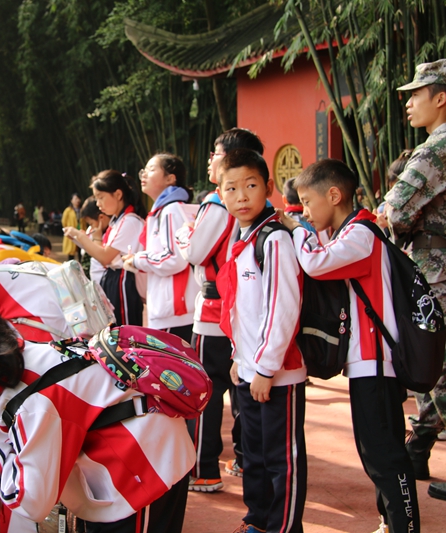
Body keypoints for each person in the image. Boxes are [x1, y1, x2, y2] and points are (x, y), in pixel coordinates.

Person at [0, 303, 194, 533]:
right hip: (125, 454)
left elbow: (31, 500)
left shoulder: (34, 403)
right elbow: (2, 405)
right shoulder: (7, 360)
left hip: (143, 465)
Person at [279, 159, 419, 533]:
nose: (305, 211)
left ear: (334, 195)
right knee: (377, 452)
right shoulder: (354, 231)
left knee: (385, 455)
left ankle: (403, 526)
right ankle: (389, 522)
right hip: (368, 362)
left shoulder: (361, 234)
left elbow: (315, 263)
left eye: (307, 202)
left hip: (376, 361)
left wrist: (297, 228)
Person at [385, 58, 446, 504]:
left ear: (441, 98)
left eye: (416, 94)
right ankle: (418, 448)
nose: (409, 103)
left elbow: (395, 210)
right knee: (444, 363)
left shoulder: (438, 149)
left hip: (440, 273)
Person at [214, 149, 307, 533]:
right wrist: (240, 358)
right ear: (220, 194)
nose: (241, 196)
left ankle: (282, 527)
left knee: (280, 458)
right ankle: (258, 520)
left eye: (250, 186)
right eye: (231, 188)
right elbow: (242, 309)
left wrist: (267, 368)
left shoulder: (274, 238)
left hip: (277, 373)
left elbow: (283, 307)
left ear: (268, 187)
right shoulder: (243, 237)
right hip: (250, 369)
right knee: (252, 454)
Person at [175, 128, 263, 492]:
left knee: (205, 392)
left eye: (215, 152)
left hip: (214, 312)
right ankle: (245, 459)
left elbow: (195, 252)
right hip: (244, 311)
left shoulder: (217, 202)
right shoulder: (259, 203)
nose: (210, 159)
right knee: (241, 390)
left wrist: (184, 233)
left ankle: (204, 468)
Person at [124, 153, 198, 339]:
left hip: (174, 311)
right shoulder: (163, 210)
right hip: (169, 309)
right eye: (144, 170)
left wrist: (138, 259)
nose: (144, 174)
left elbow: (175, 258)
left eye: (151, 169)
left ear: (170, 179)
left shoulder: (171, 210)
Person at [64, 172, 145, 326]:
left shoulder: (130, 221)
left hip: (123, 281)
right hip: (115, 279)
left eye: (101, 197)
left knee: (124, 331)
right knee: (114, 330)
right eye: (96, 198)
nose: (98, 204)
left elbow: (105, 257)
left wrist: (80, 237)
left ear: (118, 195)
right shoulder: (118, 221)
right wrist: (80, 240)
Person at [78, 196, 111, 286]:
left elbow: (101, 259)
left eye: (91, 224)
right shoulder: (99, 231)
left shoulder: (112, 233)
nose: (91, 227)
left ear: (101, 218)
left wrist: (97, 238)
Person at [62, 193, 83, 261]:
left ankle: (81, 265)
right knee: (71, 252)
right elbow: (64, 222)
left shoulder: (82, 210)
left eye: (79, 198)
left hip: (80, 233)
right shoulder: (68, 210)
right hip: (71, 233)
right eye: (76, 199)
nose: (78, 200)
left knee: (81, 252)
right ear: (71, 200)